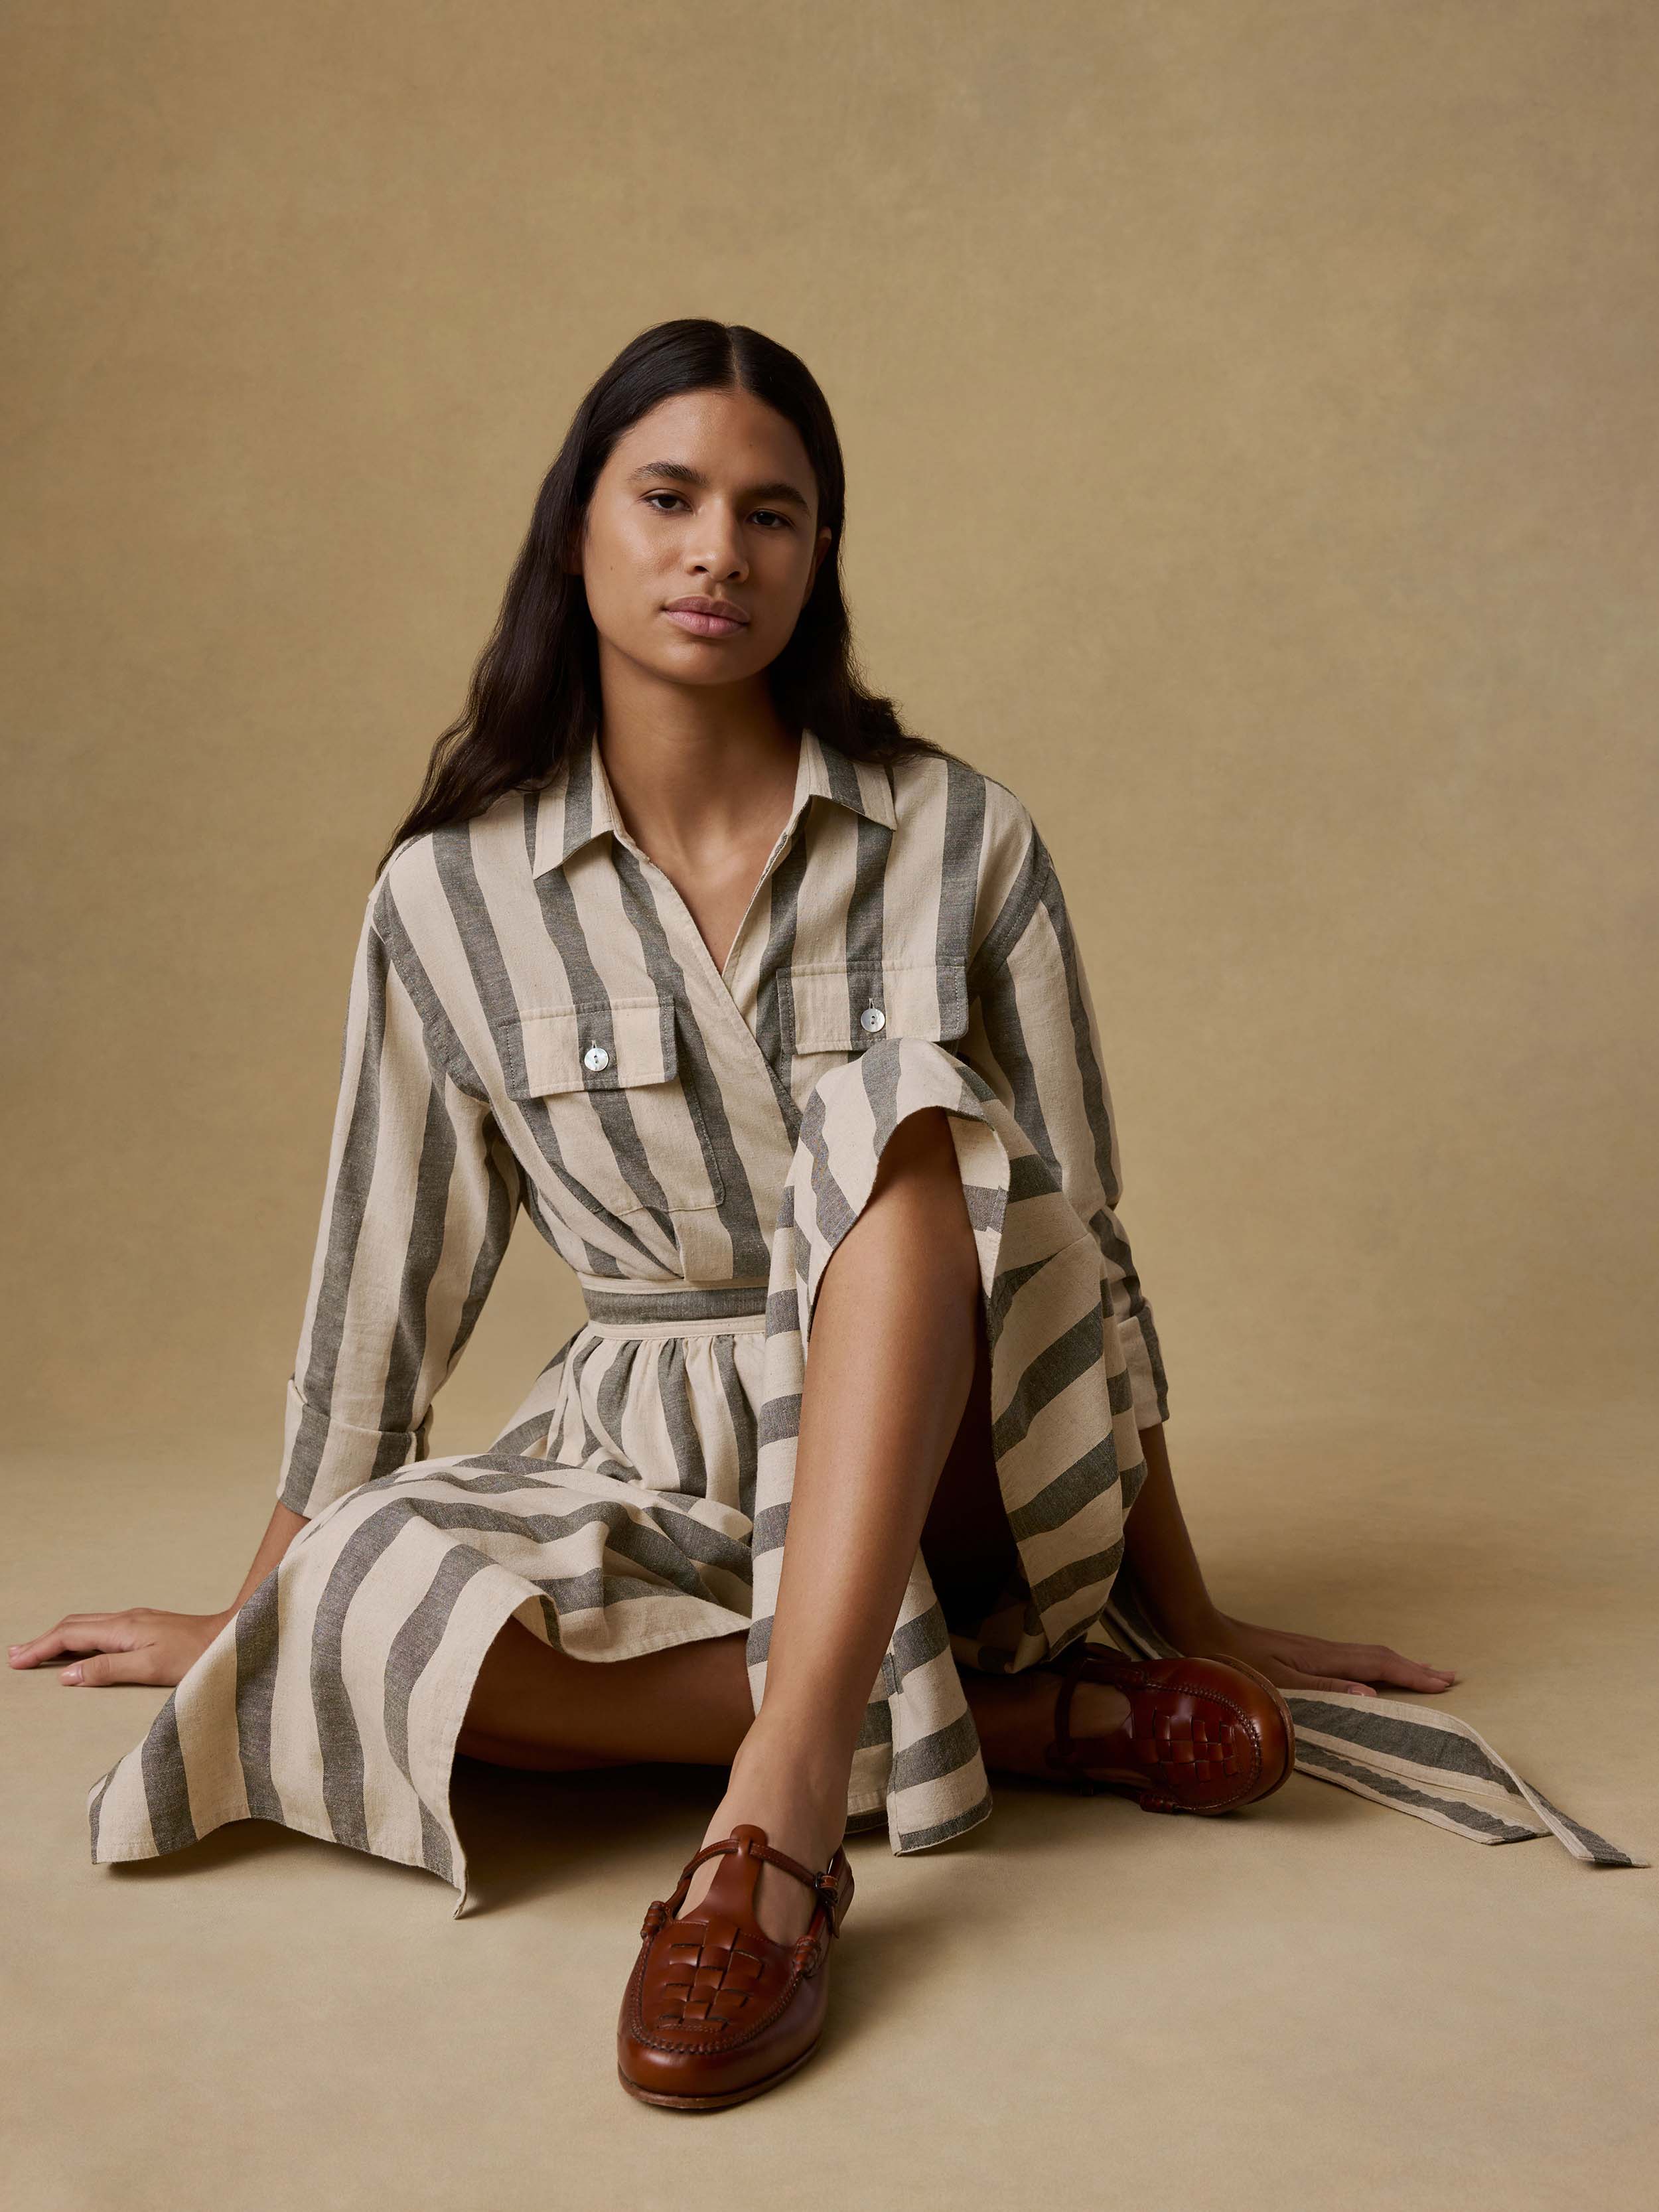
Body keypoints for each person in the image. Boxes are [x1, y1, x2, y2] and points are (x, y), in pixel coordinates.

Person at [14, 315, 1552, 2112]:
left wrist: (1187, 1605)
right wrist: (262, 1621)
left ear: (819, 561)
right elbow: (384, 1292)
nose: (714, 553)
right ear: (574, 527)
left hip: (975, 1451)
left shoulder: (960, 840)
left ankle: (779, 1824)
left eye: (774, 514)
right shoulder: (444, 901)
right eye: (666, 497)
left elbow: (1084, 1264)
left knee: (893, 1122)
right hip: (668, 1475)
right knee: (372, 1588)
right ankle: (1028, 1733)